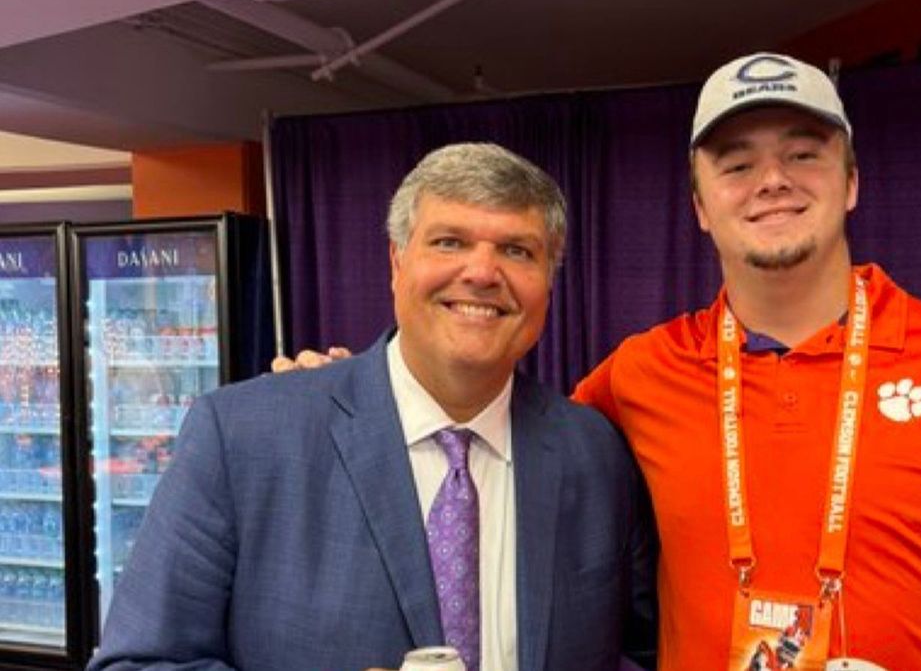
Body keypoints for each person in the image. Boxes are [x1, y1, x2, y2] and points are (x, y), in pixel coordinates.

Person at [276, 53, 921, 670]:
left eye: (803, 151)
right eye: (737, 160)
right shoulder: (639, 375)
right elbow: (489, 434)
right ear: (699, 203)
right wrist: (364, 395)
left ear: (853, 179)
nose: (772, 180)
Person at [87, 143, 656, 671]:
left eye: (517, 250)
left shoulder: (596, 453)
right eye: (449, 242)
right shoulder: (242, 438)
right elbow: (138, 662)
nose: (483, 273)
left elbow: (636, 653)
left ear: (548, 285)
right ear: (395, 263)